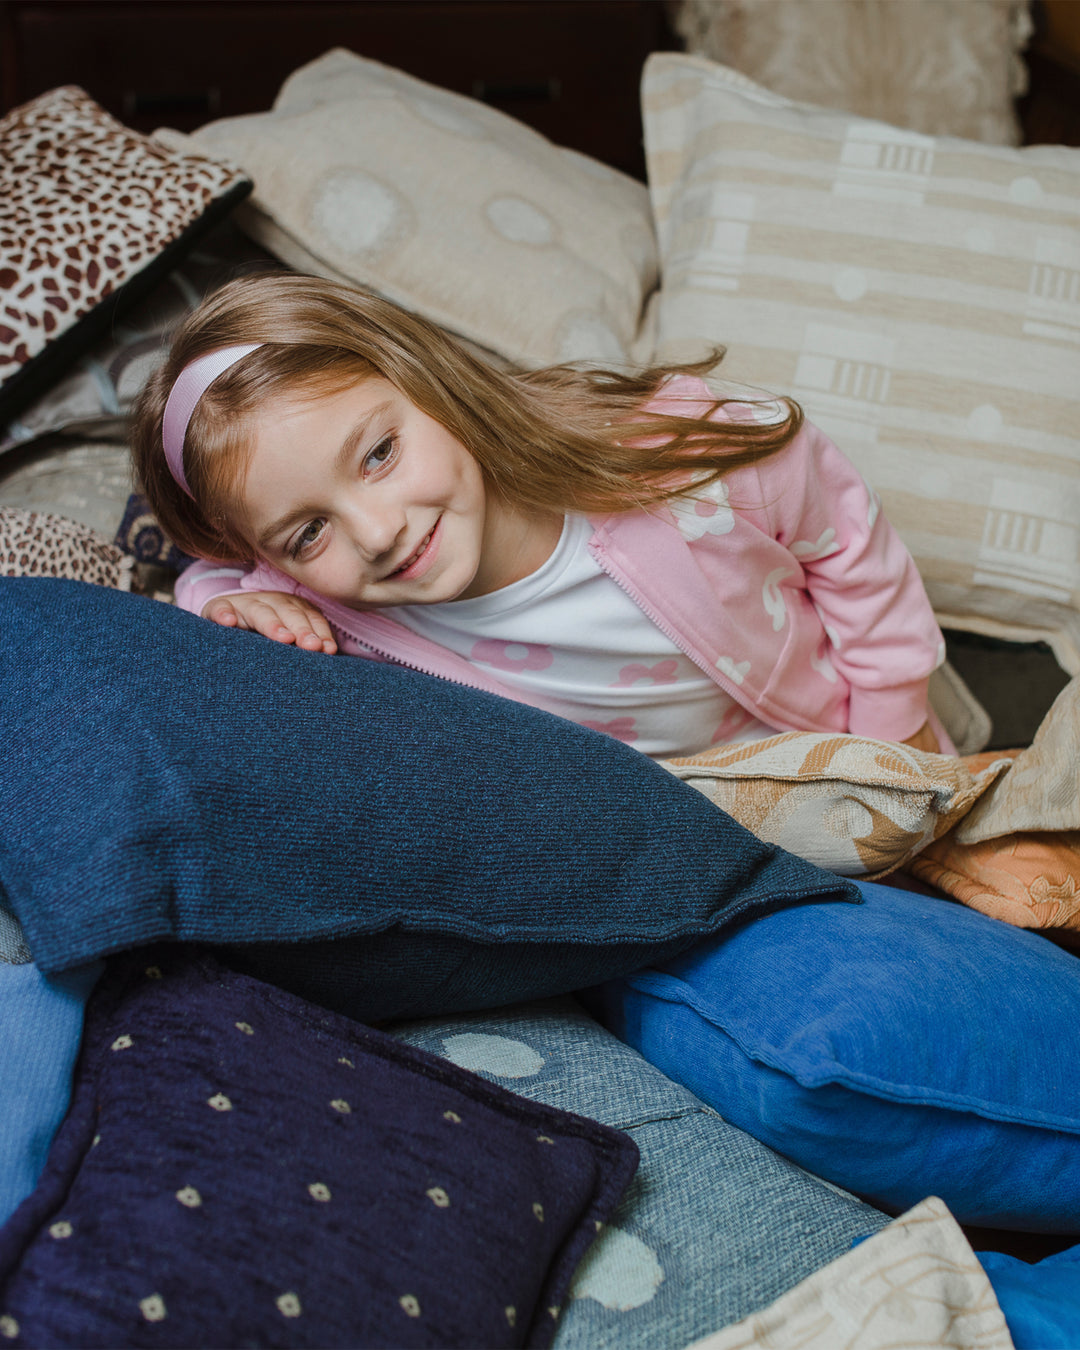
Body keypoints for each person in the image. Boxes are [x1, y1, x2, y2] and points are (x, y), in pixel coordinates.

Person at [132, 273, 949, 759]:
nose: (376, 533)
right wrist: (218, 603)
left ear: (432, 382)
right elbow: (215, 585)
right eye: (308, 531)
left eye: (379, 453)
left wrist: (891, 739)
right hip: (698, 845)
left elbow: (851, 550)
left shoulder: (679, 454)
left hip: (859, 753)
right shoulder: (322, 604)